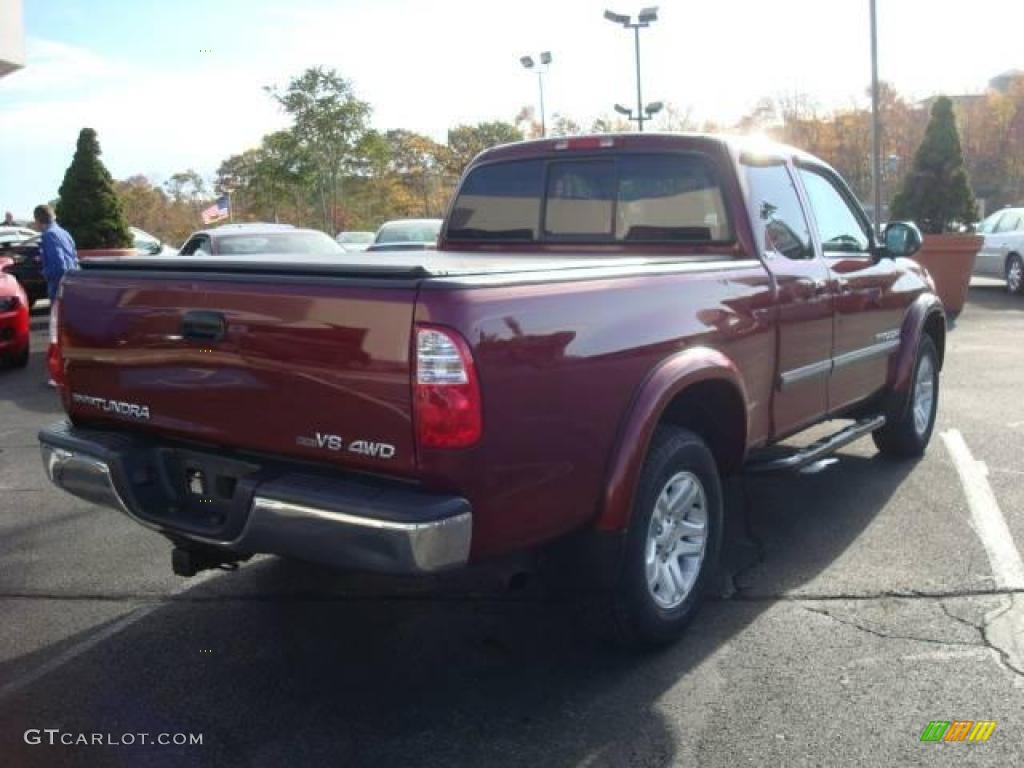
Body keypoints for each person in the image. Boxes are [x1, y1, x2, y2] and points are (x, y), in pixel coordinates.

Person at [33, 204, 78, 386]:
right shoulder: (64, 233)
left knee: (57, 334)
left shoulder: (48, 236)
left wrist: (44, 271)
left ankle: (60, 375)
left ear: (38, 220)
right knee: (68, 332)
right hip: (71, 287)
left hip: (58, 289)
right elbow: (72, 258)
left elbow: (59, 266)